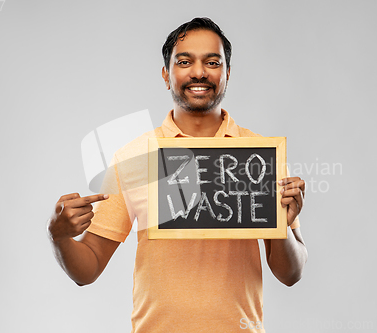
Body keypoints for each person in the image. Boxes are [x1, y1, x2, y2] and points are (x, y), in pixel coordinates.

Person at [48, 17, 308, 333]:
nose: (198, 72)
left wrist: (280, 224)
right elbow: (87, 268)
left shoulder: (259, 157)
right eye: (184, 61)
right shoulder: (135, 158)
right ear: (166, 75)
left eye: (212, 62)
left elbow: (291, 273)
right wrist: (59, 237)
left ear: (227, 73)